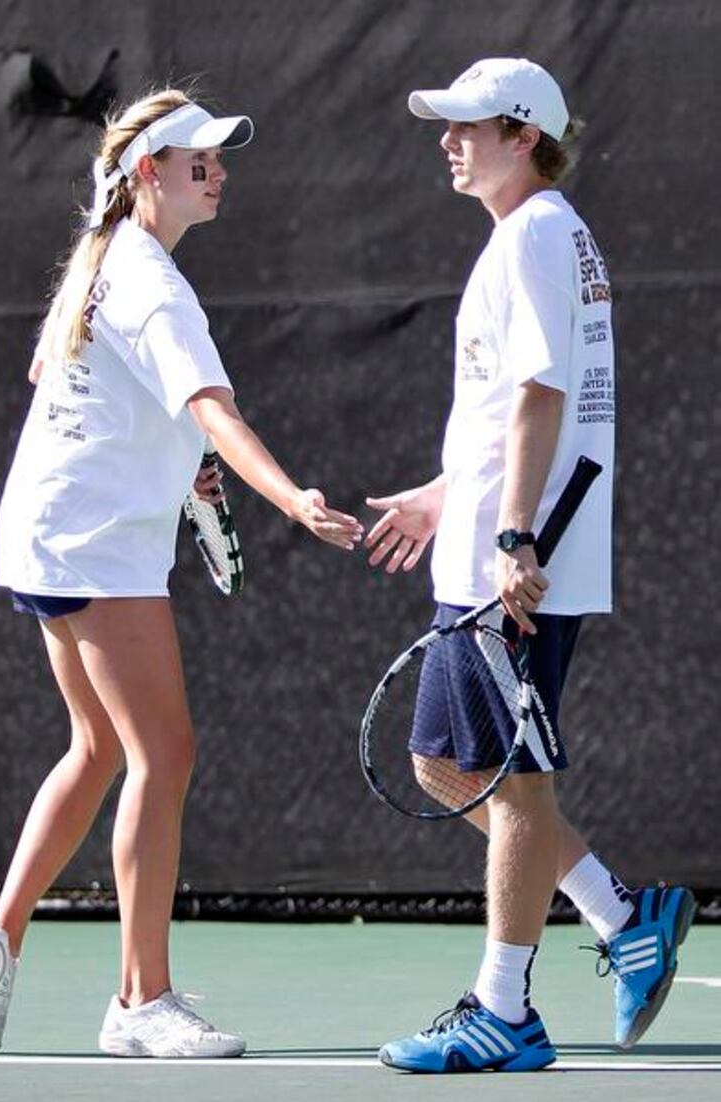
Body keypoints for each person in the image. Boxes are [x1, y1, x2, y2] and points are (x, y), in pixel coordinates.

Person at [0, 86, 363, 1059]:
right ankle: (142, 1000)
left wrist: (182, 465)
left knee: (97, 745)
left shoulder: (107, 267)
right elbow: (210, 408)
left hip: (51, 530)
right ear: (146, 177)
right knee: (162, 754)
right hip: (96, 544)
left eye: (219, 160)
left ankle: (0, 938)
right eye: (197, 162)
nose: (217, 173)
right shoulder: (153, 284)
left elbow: (82, 394)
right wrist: (289, 496)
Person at [365, 58, 694, 1073]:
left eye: (468, 125)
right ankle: (622, 917)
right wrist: (446, 491)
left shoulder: (535, 236)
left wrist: (510, 535)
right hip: (490, 544)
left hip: (514, 560)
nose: (446, 140)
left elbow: (544, 395)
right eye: (445, 125)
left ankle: (501, 1008)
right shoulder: (541, 236)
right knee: (444, 760)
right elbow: (512, 404)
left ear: (522, 135)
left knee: (512, 782)